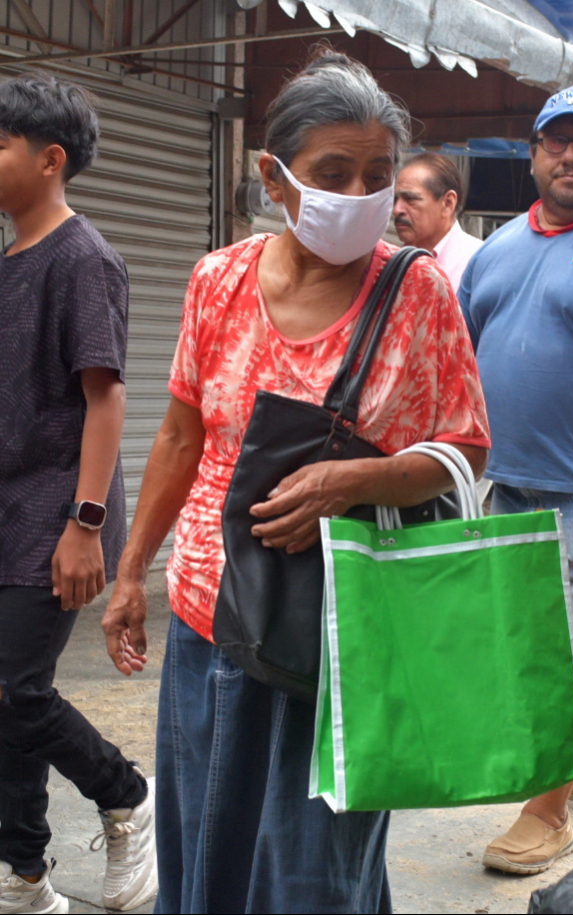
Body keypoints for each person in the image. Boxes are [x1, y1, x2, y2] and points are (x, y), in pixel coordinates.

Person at [99, 52, 491, 913]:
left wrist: (357, 478)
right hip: (211, 614)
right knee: (208, 842)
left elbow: (464, 447)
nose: (359, 193)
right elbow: (179, 434)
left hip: (347, 634)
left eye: (378, 176)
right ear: (275, 178)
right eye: (333, 173)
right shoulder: (219, 280)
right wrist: (131, 569)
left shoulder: (417, 292)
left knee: (315, 871)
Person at [459, 85, 573, 875]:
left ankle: (549, 812)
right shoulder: (496, 250)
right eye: (556, 142)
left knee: (566, 648)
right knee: (522, 643)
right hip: (506, 482)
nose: (571, 156)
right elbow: (460, 357)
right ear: (531, 154)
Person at [0, 74, 157, 915]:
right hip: (9, 509)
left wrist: (86, 524)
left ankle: (127, 793)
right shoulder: (12, 258)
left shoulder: (83, 257)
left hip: (60, 512)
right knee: (5, 695)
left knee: (15, 691)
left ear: (48, 160)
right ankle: (26, 874)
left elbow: (107, 396)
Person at [392, 150, 481, 292]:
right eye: (394, 200)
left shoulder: (477, 261)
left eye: (410, 199)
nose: (397, 210)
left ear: (448, 203)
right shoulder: (391, 263)